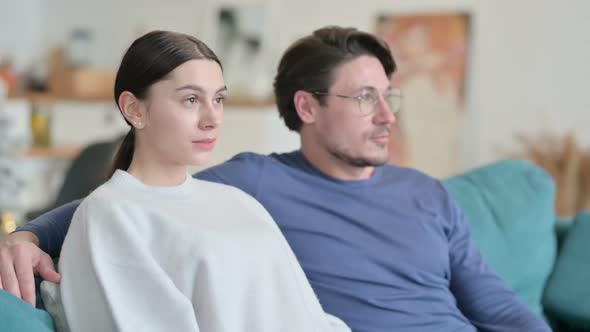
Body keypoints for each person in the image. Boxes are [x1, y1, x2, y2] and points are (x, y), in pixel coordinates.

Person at [0, 26, 550, 332]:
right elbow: (142, 205)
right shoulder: (256, 182)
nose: (388, 115)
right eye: (365, 99)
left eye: (390, 96)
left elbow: (495, 306)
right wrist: (28, 234)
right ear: (306, 107)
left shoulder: (427, 193)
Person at [8, 30, 350, 332]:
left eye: (218, 99)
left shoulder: (237, 201)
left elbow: (307, 316)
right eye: (191, 100)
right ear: (134, 109)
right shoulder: (110, 215)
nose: (212, 119)